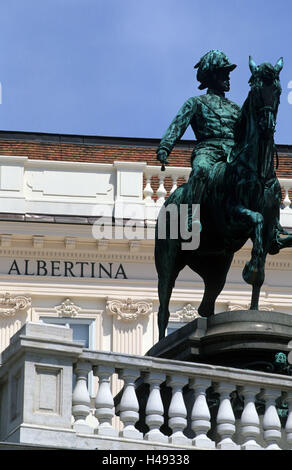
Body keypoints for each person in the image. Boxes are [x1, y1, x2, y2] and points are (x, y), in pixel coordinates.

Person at [156, 49, 241, 228]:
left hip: (233, 152)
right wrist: (165, 147)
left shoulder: (236, 108)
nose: (228, 78)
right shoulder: (195, 103)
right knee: (201, 170)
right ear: (212, 76)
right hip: (208, 150)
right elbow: (177, 126)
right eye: (224, 73)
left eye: (228, 73)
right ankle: (190, 215)